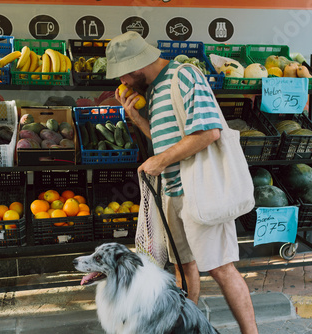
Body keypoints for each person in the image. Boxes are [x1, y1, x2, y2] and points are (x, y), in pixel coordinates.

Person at [105, 31, 259, 334]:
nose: (121, 81)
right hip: (173, 194)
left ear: (136, 65)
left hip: (201, 192)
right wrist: (135, 117)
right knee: (184, 267)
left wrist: (159, 162)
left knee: (221, 268)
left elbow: (208, 133)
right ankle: (189, 328)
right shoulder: (154, 91)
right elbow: (167, 143)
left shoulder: (184, 76)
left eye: (122, 74)